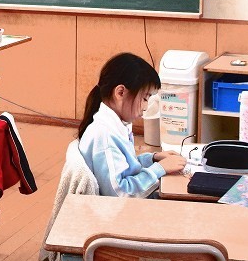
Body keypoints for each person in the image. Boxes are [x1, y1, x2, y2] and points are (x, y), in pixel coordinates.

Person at [78, 52, 186, 198]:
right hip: (121, 208)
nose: (146, 107)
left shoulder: (115, 125)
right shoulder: (105, 136)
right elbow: (120, 194)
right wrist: (160, 168)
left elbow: (126, 168)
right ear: (120, 92)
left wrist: (153, 159)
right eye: (145, 98)